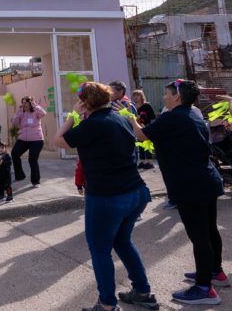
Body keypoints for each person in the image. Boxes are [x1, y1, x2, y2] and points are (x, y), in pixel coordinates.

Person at [55, 82, 158, 311]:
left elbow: (58, 139)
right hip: (136, 191)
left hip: (107, 196)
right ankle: (142, 292)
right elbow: (139, 136)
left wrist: (73, 115)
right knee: (122, 241)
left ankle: (107, 304)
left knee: (100, 249)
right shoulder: (118, 118)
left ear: (85, 102)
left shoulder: (93, 124)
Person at [126, 79, 227, 305]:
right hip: (207, 180)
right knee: (210, 231)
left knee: (199, 236)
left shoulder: (173, 117)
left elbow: (142, 136)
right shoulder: (194, 113)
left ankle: (204, 289)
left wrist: (130, 118)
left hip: (190, 185)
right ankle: (215, 272)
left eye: (167, 93)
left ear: (177, 97)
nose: (164, 97)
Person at [10, 96, 46, 186]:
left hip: (36, 139)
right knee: (14, 153)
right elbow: (14, 122)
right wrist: (18, 112)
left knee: (32, 159)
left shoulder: (36, 111)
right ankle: (19, 176)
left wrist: (35, 106)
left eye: (26, 103)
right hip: (23, 139)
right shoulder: (21, 112)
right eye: (23, 103)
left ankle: (35, 181)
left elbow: (43, 114)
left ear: (30, 103)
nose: (25, 105)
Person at [131, 90, 156, 169]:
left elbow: (152, 117)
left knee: (147, 145)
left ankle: (150, 162)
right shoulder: (133, 107)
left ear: (141, 96)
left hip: (146, 127)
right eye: (134, 96)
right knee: (140, 145)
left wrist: (150, 126)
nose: (135, 98)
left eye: (137, 96)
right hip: (137, 128)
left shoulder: (146, 106)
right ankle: (142, 161)